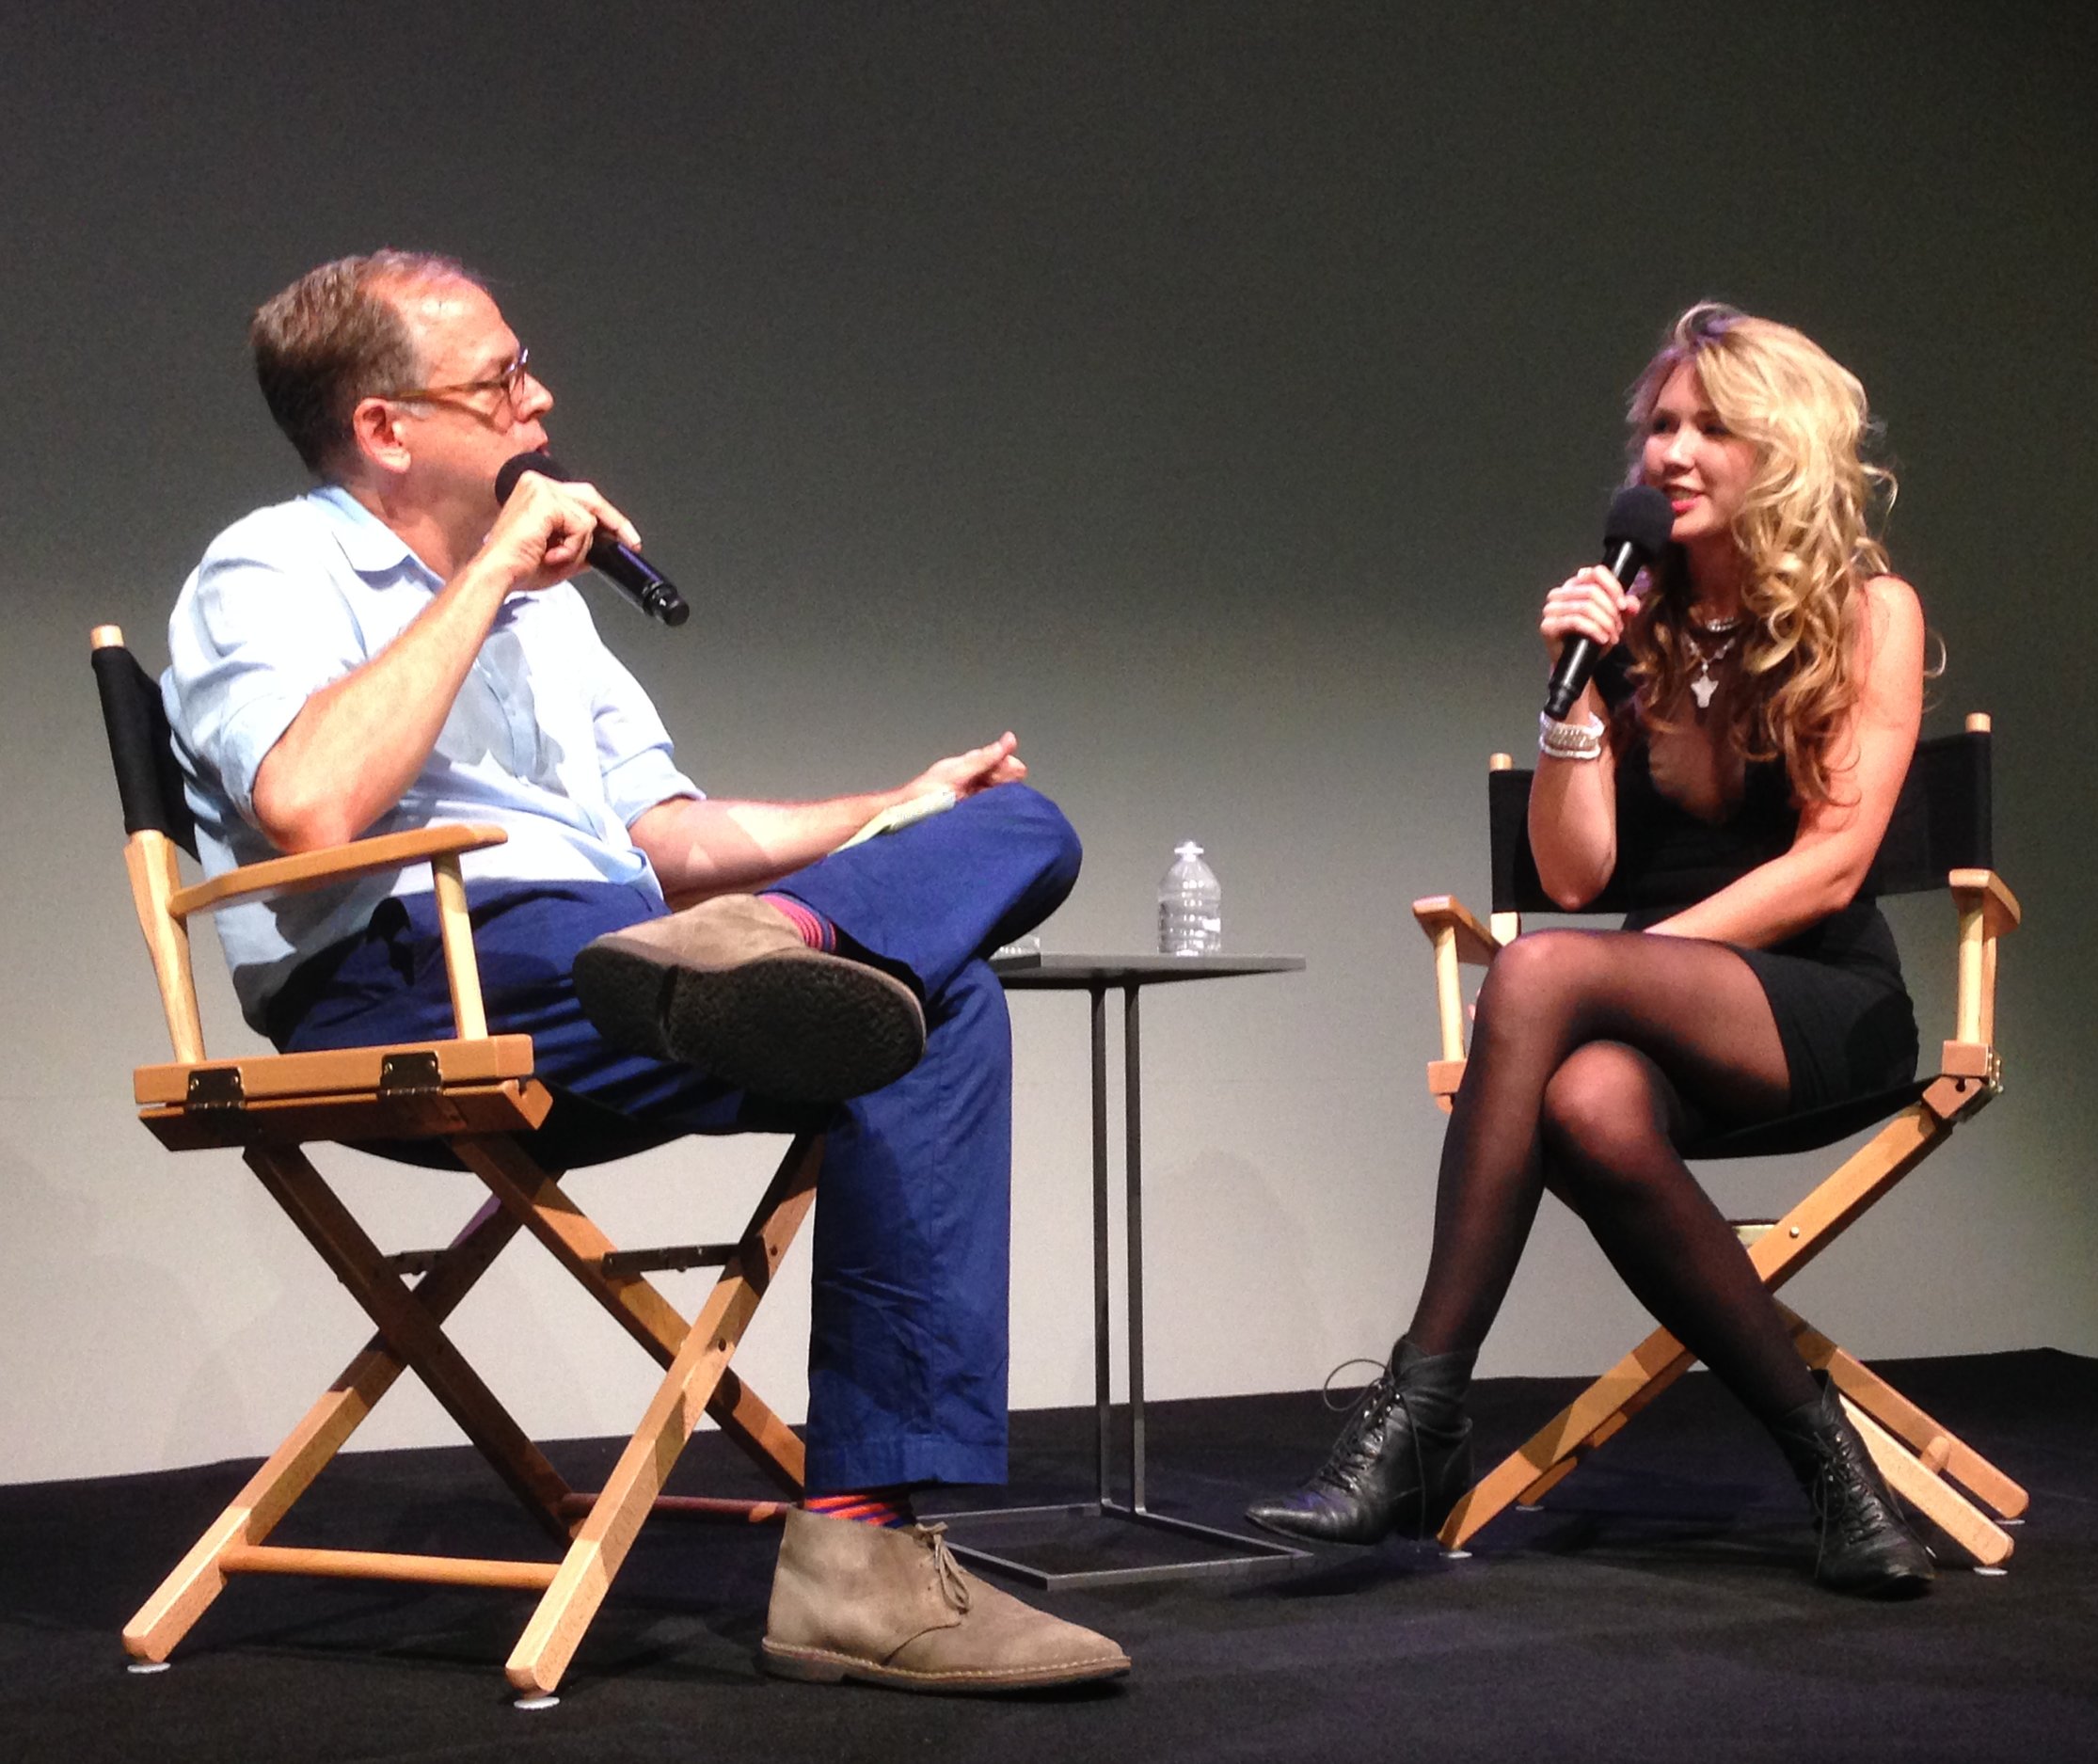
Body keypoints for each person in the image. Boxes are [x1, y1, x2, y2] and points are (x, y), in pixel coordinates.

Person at [163, 249, 1129, 1689]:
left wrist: (888, 820)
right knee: (927, 996)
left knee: (1004, 836)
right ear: (386, 426)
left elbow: (669, 840)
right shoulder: (270, 567)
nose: (539, 400)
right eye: (498, 380)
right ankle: (790, 968)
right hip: (411, 975)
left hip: (618, 955)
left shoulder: (554, 613)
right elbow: (308, 804)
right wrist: (488, 572)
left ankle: (857, 1543)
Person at [1248, 303, 1937, 1597]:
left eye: (1708, 428)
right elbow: (1574, 875)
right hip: (1658, 1008)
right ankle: (1833, 1472)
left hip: (1820, 1004)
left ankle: (1419, 1417)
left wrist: (1635, 966)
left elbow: (1829, 868)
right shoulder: (1633, 628)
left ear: (1778, 450)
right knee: (1587, 1097)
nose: (1668, 453)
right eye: (1657, 427)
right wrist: (1573, 690)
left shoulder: (1867, 612)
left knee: (1547, 971)